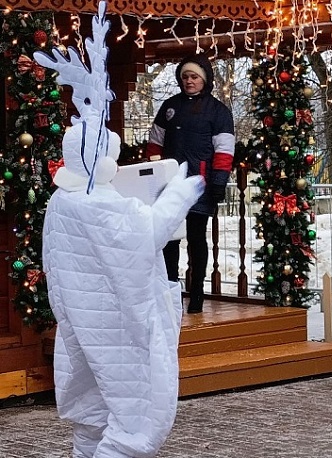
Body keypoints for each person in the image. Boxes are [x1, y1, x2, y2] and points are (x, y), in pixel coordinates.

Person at [38, 4, 205, 455]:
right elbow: (142, 234)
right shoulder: (97, 202)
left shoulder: (64, 198)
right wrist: (179, 194)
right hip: (115, 326)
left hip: (81, 325)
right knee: (136, 422)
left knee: (93, 415)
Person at [146, 54, 235, 314]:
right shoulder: (169, 107)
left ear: (204, 79)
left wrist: (218, 181)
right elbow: (155, 143)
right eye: (185, 77)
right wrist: (155, 171)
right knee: (169, 239)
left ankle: (197, 292)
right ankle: (170, 288)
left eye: (194, 77)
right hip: (169, 185)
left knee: (196, 239)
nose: (189, 81)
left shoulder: (218, 112)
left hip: (199, 184)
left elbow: (224, 150)